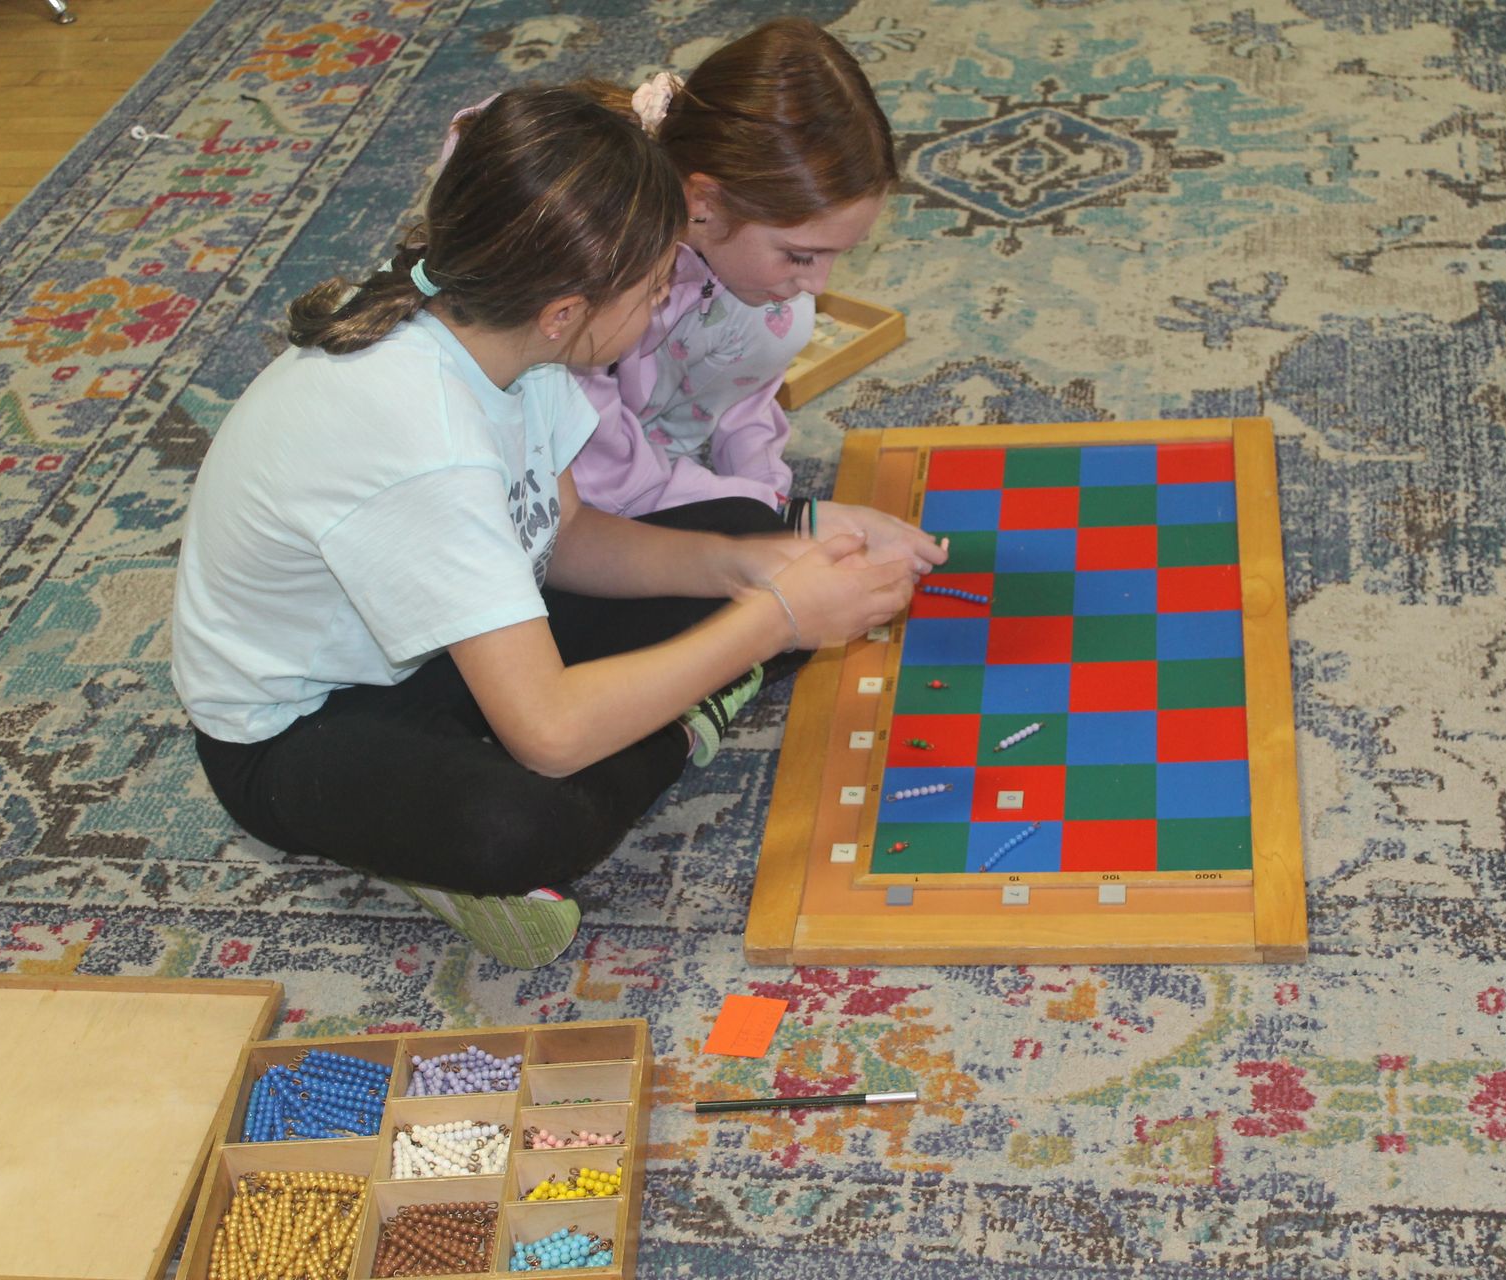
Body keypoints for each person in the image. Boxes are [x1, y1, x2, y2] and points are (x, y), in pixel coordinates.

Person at [170, 84, 914, 970]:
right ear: (568, 311)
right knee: (524, 822)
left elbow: (565, 535)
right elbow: (550, 735)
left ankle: (665, 691)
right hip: (299, 730)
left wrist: (745, 565)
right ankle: (670, 723)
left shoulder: (514, 335)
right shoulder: (427, 444)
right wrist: (775, 620)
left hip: (442, 638)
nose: (663, 302)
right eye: (653, 287)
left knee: (726, 525)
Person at [522, 19, 945, 571]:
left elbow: (747, 407)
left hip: (620, 420)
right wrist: (778, 524)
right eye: (800, 254)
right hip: (555, 479)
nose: (820, 284)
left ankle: (673, 468)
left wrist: (769, 506)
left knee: (782, 315)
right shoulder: (593, 280)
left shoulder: (715, 250)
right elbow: (597, 484)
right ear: (705, 202)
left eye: (839, 253)